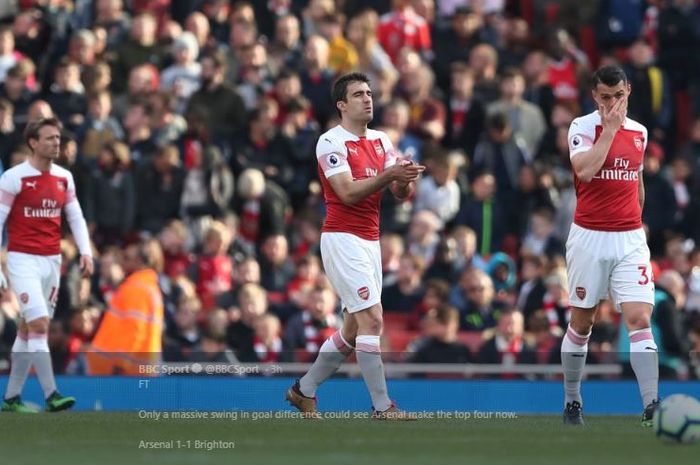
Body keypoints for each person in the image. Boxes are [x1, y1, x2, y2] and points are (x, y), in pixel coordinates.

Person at [285, 72, 425, 420]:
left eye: (369, 93)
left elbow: (399, 194)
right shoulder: (330, 142)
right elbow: (346, 193)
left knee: (352, 328)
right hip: (342, 238)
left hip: (370, 241)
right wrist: (389, 176)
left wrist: (404, 179)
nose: (368, 99)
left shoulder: (381, 140)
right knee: (373, 320)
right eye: (359, 94)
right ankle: (382, 407)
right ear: (342, 105)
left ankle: (304, 390)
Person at [562, 66, 658, 426]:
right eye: (605, 97)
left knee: (639, 317)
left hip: (630, 237)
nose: (613, 104)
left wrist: (635, 221)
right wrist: (610, 131)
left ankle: (652, 403)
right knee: (583, 322)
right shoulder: (582, 128)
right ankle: (572, 399)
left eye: (618, 96)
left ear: (629, 91)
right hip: (589, 235)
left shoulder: (640, 133)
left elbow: (637, 180)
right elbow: (585, 171)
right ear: (594, 96)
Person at [0, 117, 93, 413]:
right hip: (22, 259)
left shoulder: (64, 177)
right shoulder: (14, 178)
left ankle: (11, 398)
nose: (57, 143)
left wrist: (86, 251)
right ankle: (52, 393)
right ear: (33, 143)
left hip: (52, 260)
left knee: (28, 329)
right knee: (39, 324)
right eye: (50, 138)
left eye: (58, 138)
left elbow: (75, 216)